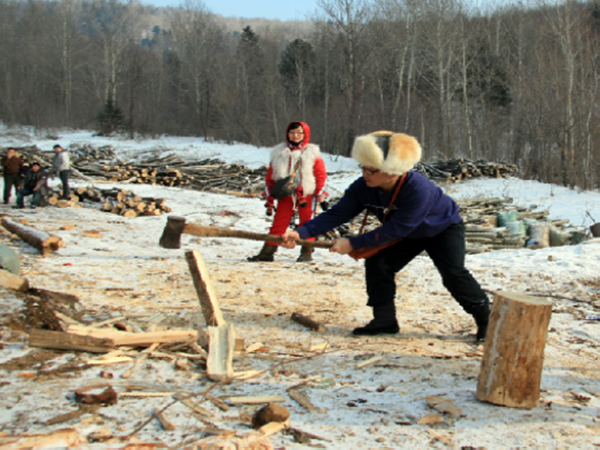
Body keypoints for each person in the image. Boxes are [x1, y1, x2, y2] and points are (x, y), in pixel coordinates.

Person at [280, 130, 490, 340]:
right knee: (378, 263)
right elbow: (337, 213)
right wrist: (300, 232)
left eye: (371, 170)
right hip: (409, 232)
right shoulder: (364, 187)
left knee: (454, 273)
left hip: (442, 229)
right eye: (364, 168)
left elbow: (395, 230)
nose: (365, 174)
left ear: (392, 171)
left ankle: (487, 321)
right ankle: (384, 321)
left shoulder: (418, 190)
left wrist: (352, 244)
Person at [247, 122, 328, 263]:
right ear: (287, 133)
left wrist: (320, 192)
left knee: (308, 223)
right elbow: (271, 174)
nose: (295, 136)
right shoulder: (279, 152)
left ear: (305, 135)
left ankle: (306, 253)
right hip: (285, 193)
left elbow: (320, 174)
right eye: (292, 132)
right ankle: (267, 253)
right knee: (279, 223)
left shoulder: (312, 153)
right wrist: (269, 192)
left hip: (306, 193)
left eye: (299, 133)